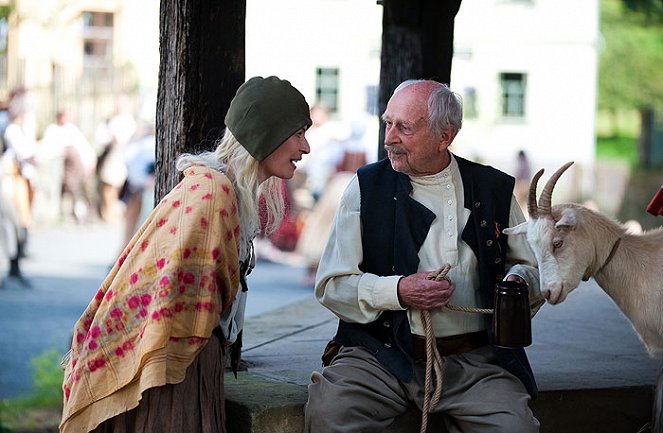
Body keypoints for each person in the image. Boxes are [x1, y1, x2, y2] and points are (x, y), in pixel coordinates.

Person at [59, 76, 312, 433]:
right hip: (175, 377)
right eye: (298, 133)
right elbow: (180, 301)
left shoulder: (219, 188)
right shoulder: (211, 191)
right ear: (264, 133)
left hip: (187, 366)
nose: (306, 147)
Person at [304, 79, 542, 433]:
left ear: (444, 136)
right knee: (330, 413)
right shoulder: (366, 187)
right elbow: (332, 286)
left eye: (405, 127)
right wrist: (398, 291)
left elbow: (530, 268)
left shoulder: (492, 189)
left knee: (515, 427)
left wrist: (517, 281)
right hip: (380, 356)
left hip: (474, 363)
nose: (389, 138)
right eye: (388, 123)